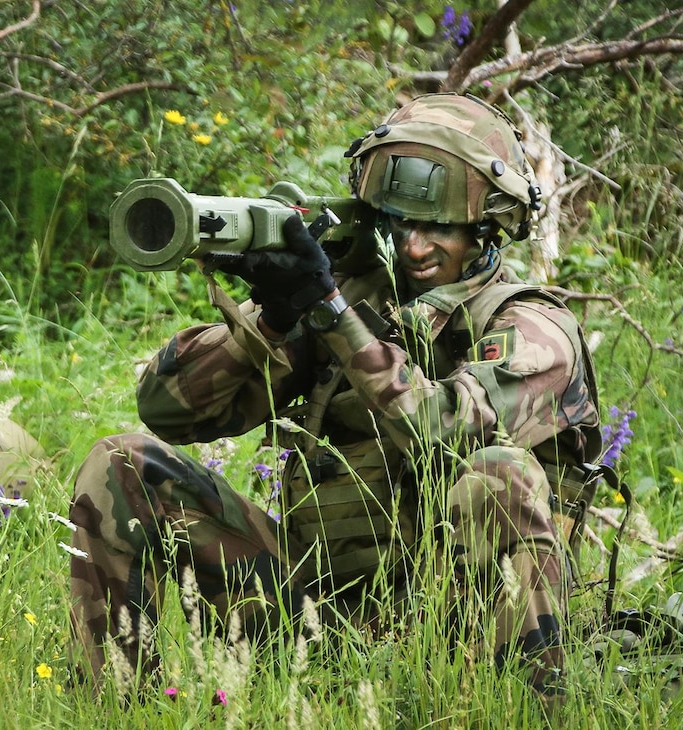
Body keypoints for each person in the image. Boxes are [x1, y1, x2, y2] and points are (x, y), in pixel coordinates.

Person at [68, 93, 601, 700]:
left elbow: (445, 425)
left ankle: (523, 712)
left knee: (496, 475)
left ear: (488, 229)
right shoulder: (355, 297)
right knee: (123, 465)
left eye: (440, 228)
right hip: (318, 628)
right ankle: (110, 706)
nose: (415, 247)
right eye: (398, 223)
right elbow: (168, 410)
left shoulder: (532, 327)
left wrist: (334, 314)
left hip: (454, 646)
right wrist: (269, 321)